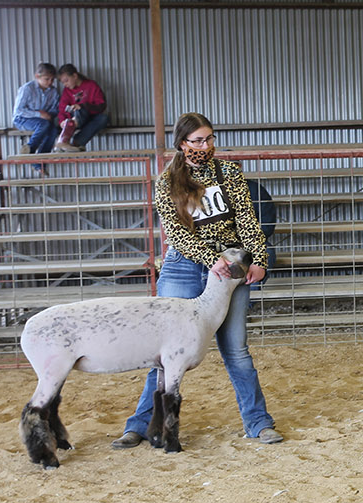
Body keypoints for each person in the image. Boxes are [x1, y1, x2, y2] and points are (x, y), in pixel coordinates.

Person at [111, 112, 283, 448]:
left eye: (209, 139)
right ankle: (141, 424)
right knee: (162, 354)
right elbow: (175, 231)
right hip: (183, 266)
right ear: (182, 144)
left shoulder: (230, 173)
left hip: (229, 266)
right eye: (198, 140)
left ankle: (258, 423)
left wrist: (258, 260)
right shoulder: (167, 181)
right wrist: (210, 260)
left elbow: (247, 220)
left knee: (236, 350)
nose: (206, 145)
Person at [53, 64, 110, 152]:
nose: (65, 84)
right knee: (77, 111)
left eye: (66, 81)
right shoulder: (67, 91)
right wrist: (62, 121)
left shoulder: (91, 85)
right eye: (63, 82)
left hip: (89, 117)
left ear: (75, 76)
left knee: (104, 118)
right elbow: (62, 108)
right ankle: (65, 137)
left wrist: (84, 106)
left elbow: (101, 106)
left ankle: (76, 143)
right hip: (74, 118)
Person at [11, 63, 60, 161]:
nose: (50, 82)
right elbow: (18, 110)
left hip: (43, 120)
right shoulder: (27, 89)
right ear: (37, 76)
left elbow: (55, 108)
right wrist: (39, 114)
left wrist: (50, 114)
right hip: (22, 119)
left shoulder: (53, 92)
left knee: (54, 130)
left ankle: (39, 160)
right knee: (44, 124)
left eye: (52, 79)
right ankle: (30, 148)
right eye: (47, 79)